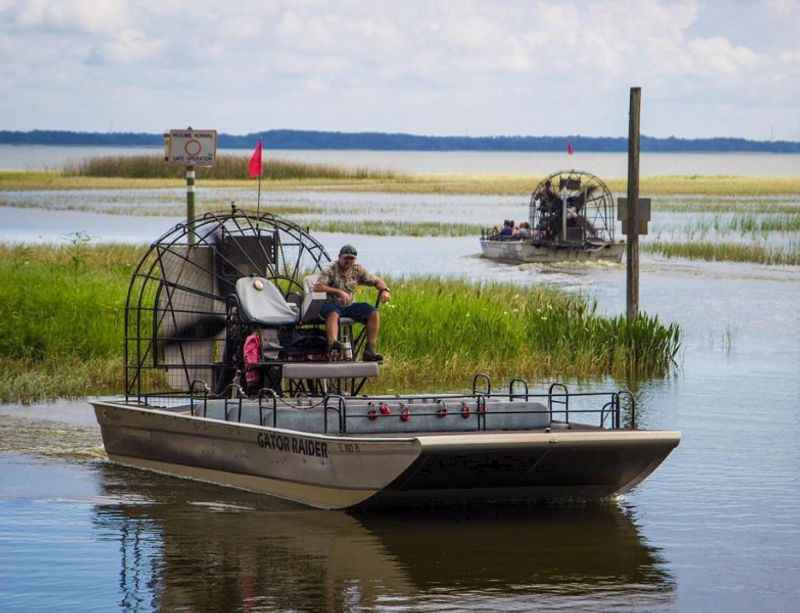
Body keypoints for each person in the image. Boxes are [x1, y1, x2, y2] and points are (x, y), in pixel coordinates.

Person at [313, 244, 391, 361]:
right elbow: (318, 287)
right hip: (329, 305)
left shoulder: (357, 269)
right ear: (339, 257)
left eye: (351, 258)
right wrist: (339, 292)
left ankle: (370, 350)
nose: (348, 261)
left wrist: (385, 290)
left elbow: (376, 281)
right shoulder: (330, 269)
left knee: (372, 312)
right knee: (333, 313)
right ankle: (333, 345)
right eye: (346, 258)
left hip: (349, 306)